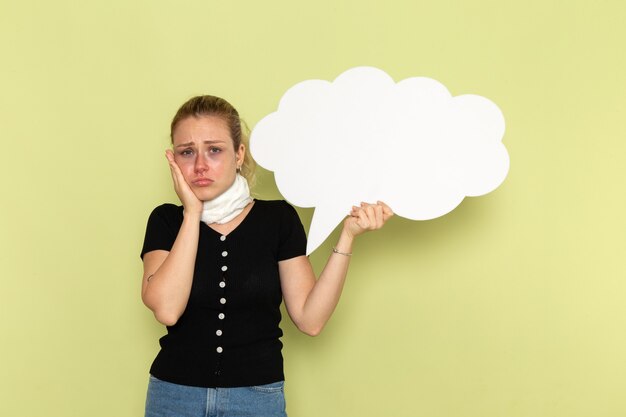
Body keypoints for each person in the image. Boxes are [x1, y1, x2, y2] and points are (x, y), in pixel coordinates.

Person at [140, 95, 393, 417]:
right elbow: (167, 310)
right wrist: (192, 213)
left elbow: (310, 320)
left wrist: (348, 235)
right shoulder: (166, 220)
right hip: (174, 396)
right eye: (187, 152)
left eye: (214, 150)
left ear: (239, 154)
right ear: (173, 159)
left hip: (256, 398)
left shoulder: (278, 220)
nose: (200, 165)